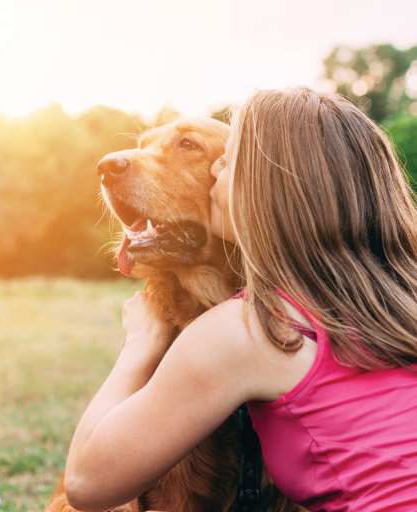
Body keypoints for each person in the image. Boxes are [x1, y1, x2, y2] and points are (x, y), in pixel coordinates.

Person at [63, 86, 417, 512]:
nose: (218, 175)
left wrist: (141, 341)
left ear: (277, 190)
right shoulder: (397, 301)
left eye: (228, 161)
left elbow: (84, 483)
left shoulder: (252, 326)